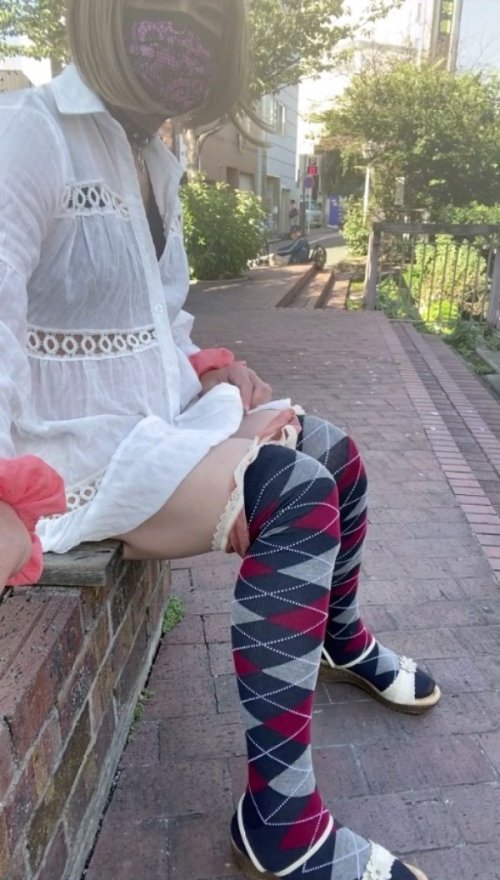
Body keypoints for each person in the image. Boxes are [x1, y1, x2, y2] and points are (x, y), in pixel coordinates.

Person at [0, 2, 439, 879]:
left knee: (336, 455)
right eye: (169, 13)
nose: (188, 37)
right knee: (298, 499)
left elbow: (157, 312)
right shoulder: (29, 135)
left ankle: (338, 638)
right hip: (74, 454)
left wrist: (208, 367)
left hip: (154, 418)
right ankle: (279, 823)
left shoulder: (155, 158)